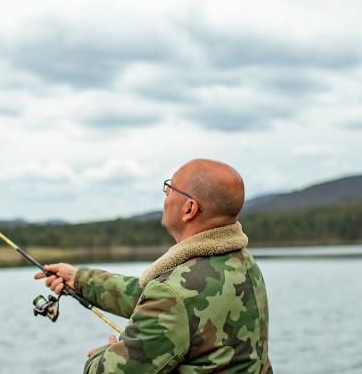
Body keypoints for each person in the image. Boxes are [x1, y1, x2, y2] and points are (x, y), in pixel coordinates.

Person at [35, 159, 272, 373]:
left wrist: (104, 354)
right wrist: (80, 279)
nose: (166, 193)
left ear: (189, 209)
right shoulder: (244, 264)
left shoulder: (173, 292)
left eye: (171, 188)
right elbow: (156, 297)